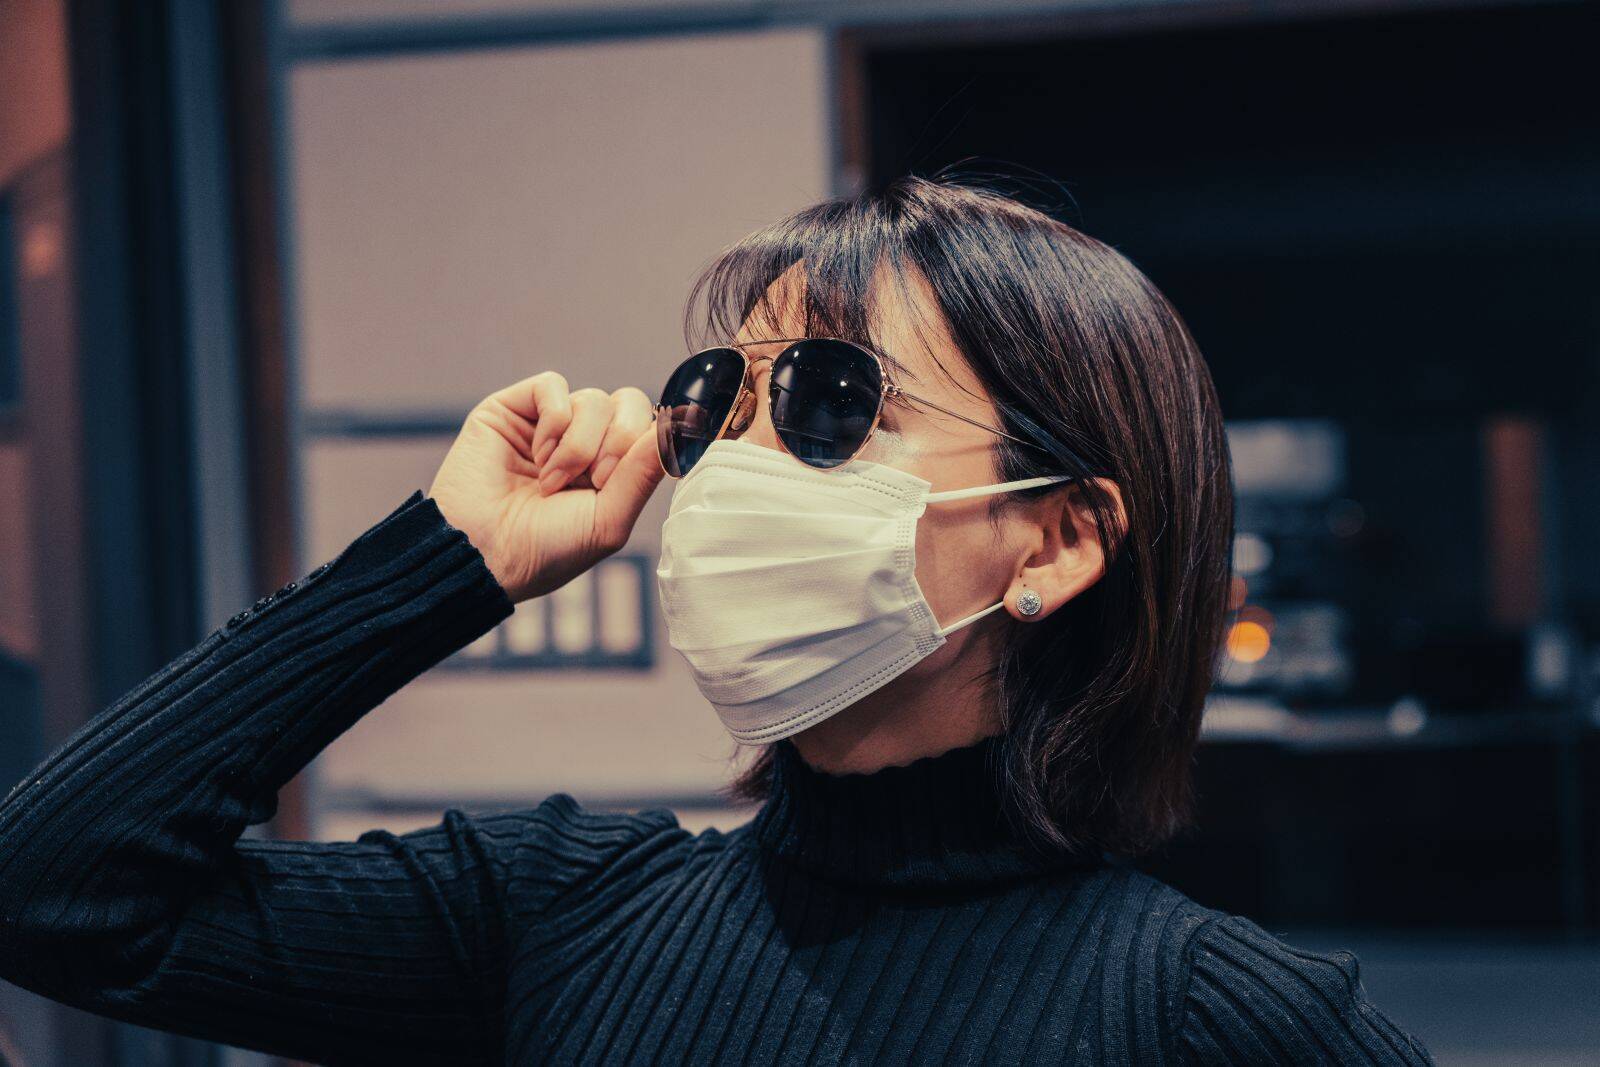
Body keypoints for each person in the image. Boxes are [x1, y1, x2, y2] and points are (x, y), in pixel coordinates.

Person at [0, 174, 1434, 1065]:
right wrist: (445, 563)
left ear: (1057, 539)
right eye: (721, 404)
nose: (737, 466)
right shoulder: (558, 912)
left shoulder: (1209, 1017)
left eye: (828, 403)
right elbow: (54, 895)